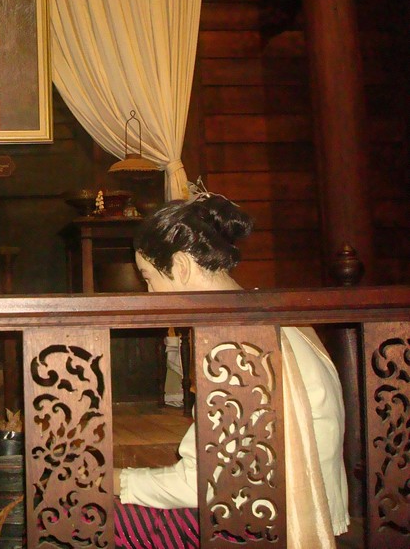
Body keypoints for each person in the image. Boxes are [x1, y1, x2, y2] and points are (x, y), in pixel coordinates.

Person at [113, 193, 349, 549]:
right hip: (306, 508)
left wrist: (116, 480)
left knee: (89, 516)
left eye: (148, 278)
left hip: (269, 524)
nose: (149, 294)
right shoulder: (276, 319)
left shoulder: (238, 345)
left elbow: (201, 483)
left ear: (181, 266)